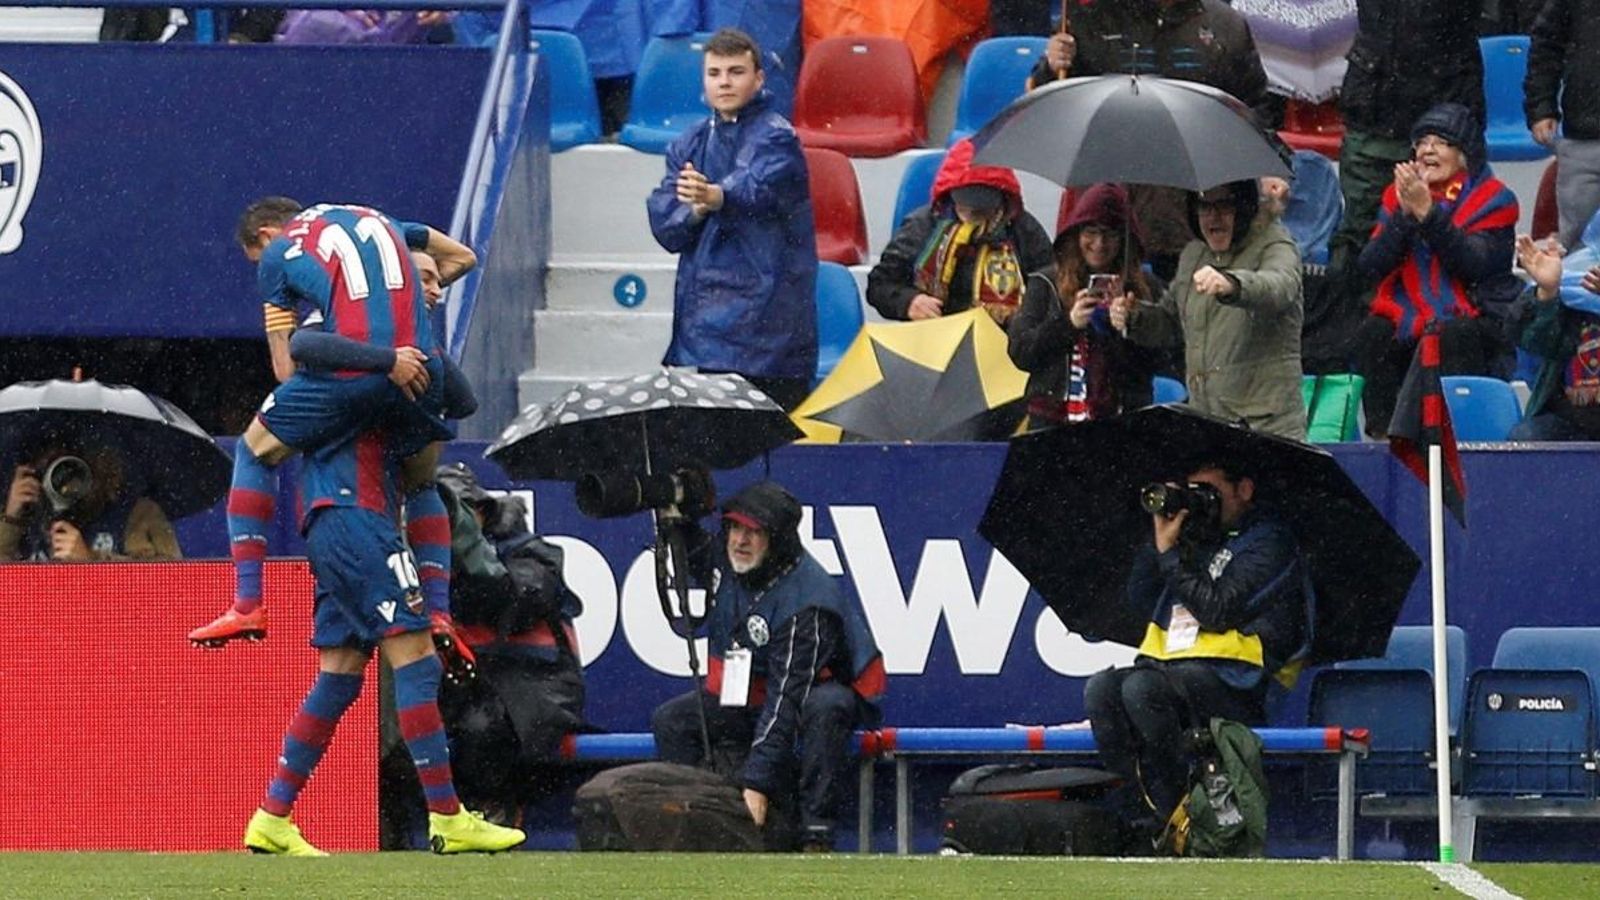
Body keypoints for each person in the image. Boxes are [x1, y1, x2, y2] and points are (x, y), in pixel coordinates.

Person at [188, 199, 477, 653]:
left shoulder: (281, 251)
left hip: (356, 381)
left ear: (265, 234)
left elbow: (285, 365)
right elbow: (464, 257)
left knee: (253, 450)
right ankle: (440, 611)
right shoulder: (381, 223)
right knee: (422, 486)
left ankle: (247, 600)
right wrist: (405, 305)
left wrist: (334, 328)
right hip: (425, 366)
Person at [241, 427, 525, 856]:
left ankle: (273, 815)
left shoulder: (324, 390)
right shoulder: (403, 383)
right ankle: (448, 817)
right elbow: (425, 486)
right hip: (365, 528)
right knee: (418, 660)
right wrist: (438, 609)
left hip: (326, 529)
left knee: (338, 676)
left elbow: (262, 439)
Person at [650, 481, 886, 852]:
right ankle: (695, 821)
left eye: (754, 532)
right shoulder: (726, 559)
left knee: (825, 707)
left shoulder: (808, 603)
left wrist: (755, 785)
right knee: (673, 720)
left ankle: (816, 833)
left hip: (815, 691)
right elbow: (692, 552)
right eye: (735, 528)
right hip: (753, 689)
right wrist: (673, 517)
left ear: (777, 540)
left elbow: (786, 700)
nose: (740, 541)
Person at [1084, 461, 1310, 845]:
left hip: (1239, 681)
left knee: (1143, 691)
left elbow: (1218, 610)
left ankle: (1186, 817)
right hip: (1175, 673)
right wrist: (1161, 538)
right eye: (1190, 490)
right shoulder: (1192, 540)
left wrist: (1172, 557)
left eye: (1208, 489)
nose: (1200, 500)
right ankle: (1145, 814)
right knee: (1102, 690)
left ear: (1244, 489)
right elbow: (1139, 597)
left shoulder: (1270, 542)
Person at [1027, 0, 1278, 280]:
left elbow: (1254, 106)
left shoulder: (1226, 25)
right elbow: (1053, 102)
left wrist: (1268, 169)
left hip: (1192, 202)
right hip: (1111, 203)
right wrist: (1051, 67)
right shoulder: (1088, 18)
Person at [646, 28, 818, 412]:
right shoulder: (687, 144)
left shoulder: (778, 136)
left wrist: (714, 196)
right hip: (709, 323)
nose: (724, 82)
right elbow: (666, 224)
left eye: (736, 71)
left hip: (771, 321)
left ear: (758, 78)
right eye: (715, 73)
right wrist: (695, 208)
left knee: (775, 444)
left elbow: (757, 186)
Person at [1350, 104, 1521, 439]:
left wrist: (1428, 214)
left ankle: (1448, 435)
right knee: (1374, 331)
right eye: (1422, 142)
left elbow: (1473, 267)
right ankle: (1385, 439)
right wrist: (1404, 215)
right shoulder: (1396, 196)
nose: (1428, 149)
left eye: (1441, 142)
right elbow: (1369, 266)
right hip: (1409, 314)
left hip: (1477, 316)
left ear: (1464, 156)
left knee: (1451, 334)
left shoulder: (1494, 200)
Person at [430, 462, 587, 826]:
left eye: (456, 513)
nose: (447, 525)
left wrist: (468, 559)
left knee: (482, 725)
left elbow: (514, 601)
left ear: (482, 512)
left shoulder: (532, 554)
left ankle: (494, 809)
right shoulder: (421, 561)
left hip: (537, 684)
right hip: (463, 681)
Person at [1115, 180, 1307, 439]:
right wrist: (1134, 317)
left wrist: (1234, 285)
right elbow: (1171, 323)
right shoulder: (1193, 255)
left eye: (1224, 206)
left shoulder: (1275, 244)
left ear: (1244, 207)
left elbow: (1280, 287)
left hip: (1267, 426)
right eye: (1204, 206)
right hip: (1208, 421)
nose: (1213, 218)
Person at [1326, 0, 1485, 284]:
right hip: (1374, 108)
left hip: (1445, 109)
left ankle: (1436, 313)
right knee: (1359, 232)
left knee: (1452, 224)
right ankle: (1348, 313)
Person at [1007, 184, 1164, 428]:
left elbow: (1160, 362)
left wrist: (1130, 325)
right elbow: (1021, 352)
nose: (1099, 244)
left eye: (1110, 234)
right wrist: (1069, 324)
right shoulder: (1045, 282)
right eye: (1091, 232)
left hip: (1124, 423)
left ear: (1124, 239)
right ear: (1075, 235)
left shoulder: (1146, 287)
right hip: (1053, 422)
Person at [866, 138, 1052, 328]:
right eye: (965, 207)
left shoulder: (1023, 229)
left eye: (981, 210)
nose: (971, 216)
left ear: (1001, 200)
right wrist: (908, 302)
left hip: (1006, 342)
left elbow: (1052, 287)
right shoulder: (923, 226)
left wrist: (1025, 316)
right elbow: (880, 285)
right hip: (934, 334)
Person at [1, 439, 180, 561]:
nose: (64, 482)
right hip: (37, 615)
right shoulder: (27, 511)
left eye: (71, 468)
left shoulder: (139, 514)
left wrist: (90, 561)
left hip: (107, 616)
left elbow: (168, 587)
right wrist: (11, 519)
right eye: (50, 466)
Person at [1525, 0, 1600, 252]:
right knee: (1578, 247)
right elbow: (1546, 44)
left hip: (1583, 132)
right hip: (1583, 136)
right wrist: (1541, 106)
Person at [1508, 234, 1600, 440]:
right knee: (1526, 438)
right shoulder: (1577, 277)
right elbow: (1536, 343)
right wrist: (1547, 294)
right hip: (1570, 418)